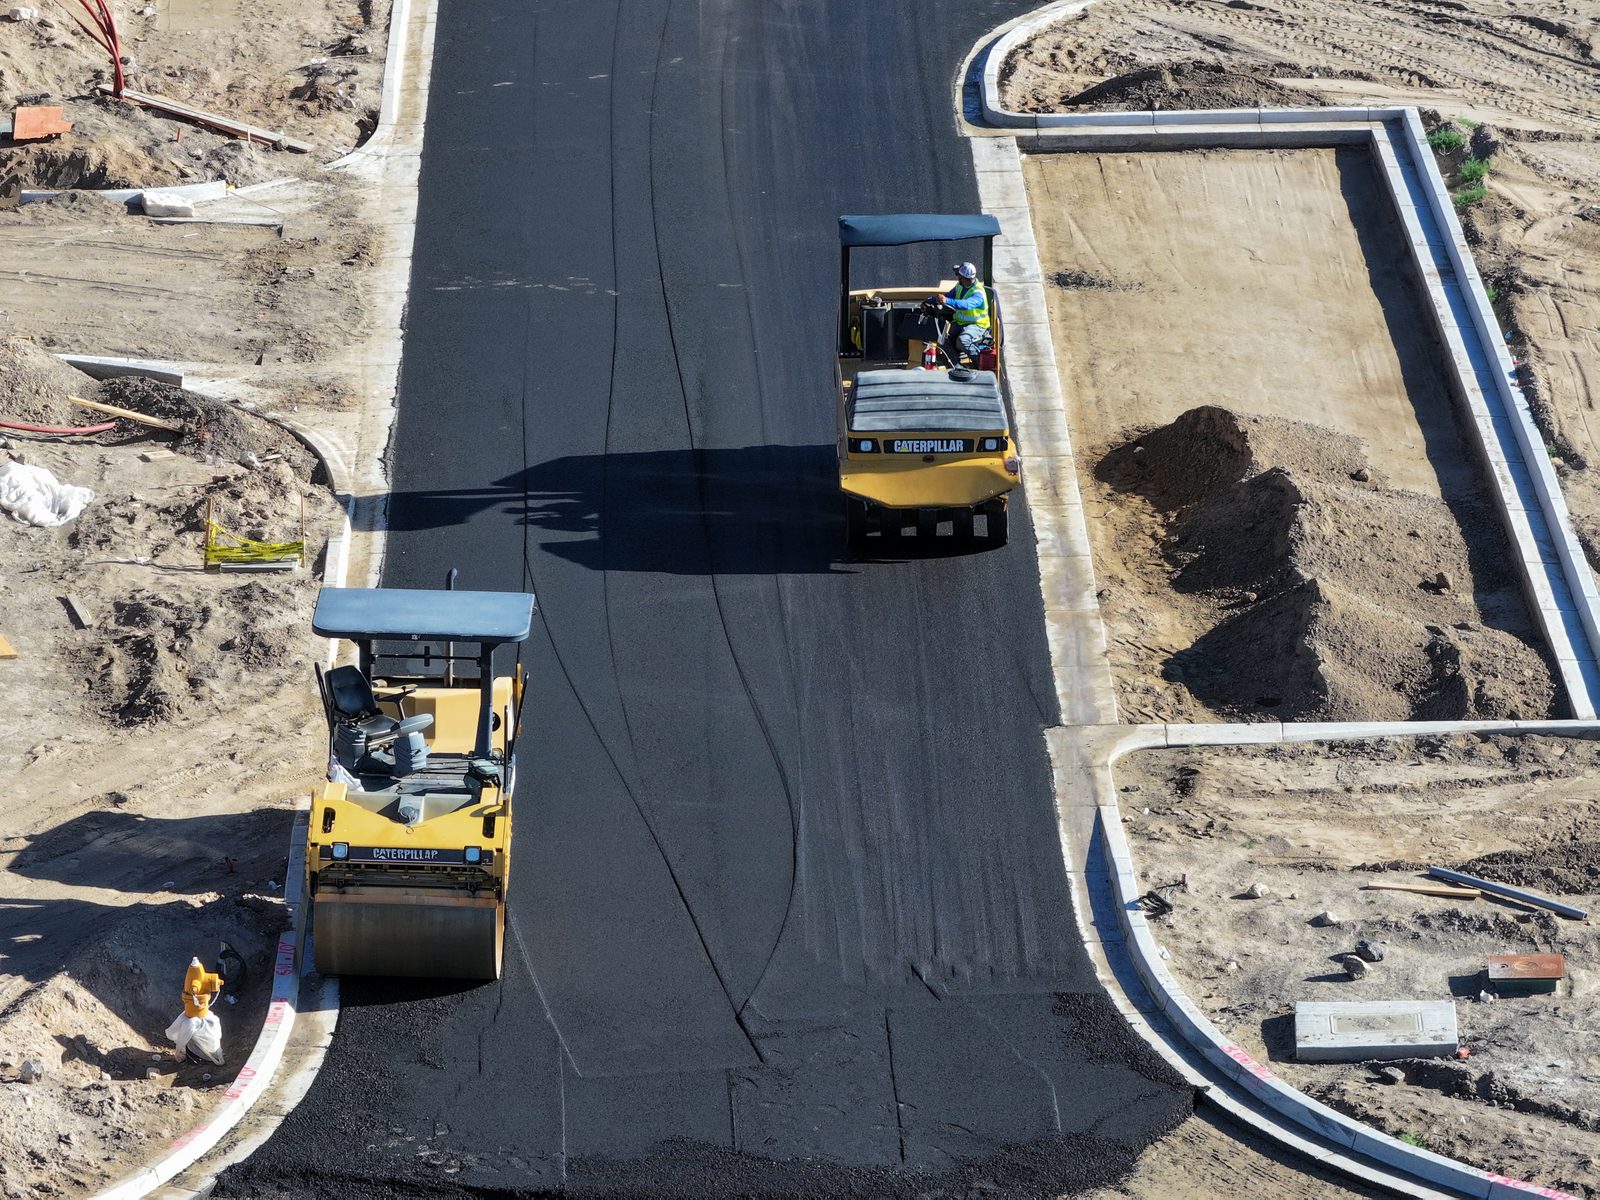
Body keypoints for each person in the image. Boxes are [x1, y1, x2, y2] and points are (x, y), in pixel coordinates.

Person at [932, 261, 991, 364]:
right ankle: (955, 364)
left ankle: (980, 363)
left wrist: (947, 301)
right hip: (960, 323)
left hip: (977, 325)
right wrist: (930, 300)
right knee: (940, 335)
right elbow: (948, 296)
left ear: (965, 278)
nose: (957, 278)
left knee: (963, 341)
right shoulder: (960, 286)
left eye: (959, 276)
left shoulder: (978, 293)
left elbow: (966, 305)